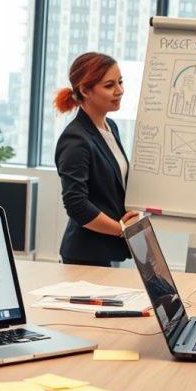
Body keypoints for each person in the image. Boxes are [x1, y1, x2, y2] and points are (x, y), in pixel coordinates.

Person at [54, 52, 138, 266]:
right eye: (109, 85)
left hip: (109, 248)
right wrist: (121, 230)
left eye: (120, 82)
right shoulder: (75, 139)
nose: (119, 90)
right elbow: (76, 205)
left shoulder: (111, 127)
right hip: (85, 254)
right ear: (84, 90)